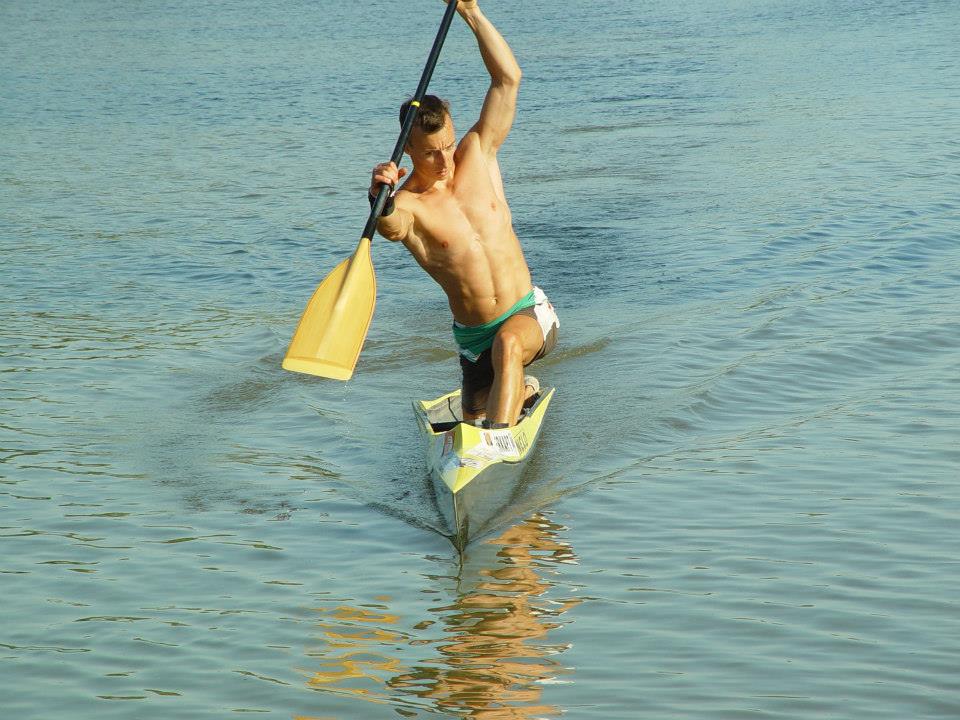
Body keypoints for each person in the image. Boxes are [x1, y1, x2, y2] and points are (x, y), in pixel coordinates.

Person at [369, 0, 558, 429]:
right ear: (407, 148)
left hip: (527, 315)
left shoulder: (478, 151)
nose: (444, 161)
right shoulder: (410, 204)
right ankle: (517, 392)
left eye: (447, 145)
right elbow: (391, 227)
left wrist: (471, 12)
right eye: (430, 153)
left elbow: (508, 79)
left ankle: (498, 440)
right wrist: (379, 196)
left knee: (509, 345)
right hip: (474, 340)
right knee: (474, 414)